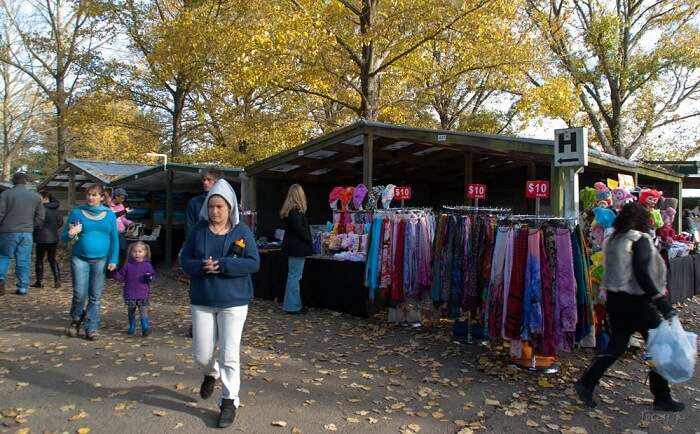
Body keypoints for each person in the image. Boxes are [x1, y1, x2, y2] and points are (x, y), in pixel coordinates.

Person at [575, 202, 684, 412]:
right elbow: (643, 272)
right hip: (637, 302)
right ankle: (662, 396)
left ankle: (587, 383)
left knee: (617, 345)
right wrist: (662, 302)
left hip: (616, 301)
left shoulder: (614, 239)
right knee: (660, 345)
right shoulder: (639, 240)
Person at [180, 179, 259, 428]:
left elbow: (253, 263)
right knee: (202, 354)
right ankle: (210, 373)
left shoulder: (242, 231)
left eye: (220, 207)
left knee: (229, 353)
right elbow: (185, 260)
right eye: (211, 206)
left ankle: (229, 401)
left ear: (230, 208)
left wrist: (223, 265)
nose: (215, 211)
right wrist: (202, 266)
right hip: (202, 299)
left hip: (233, 302)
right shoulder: (198, 231)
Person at [63, 184, 119, 341]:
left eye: (94, 195)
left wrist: (114, 259)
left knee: (95, 296)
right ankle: (75, 320)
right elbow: (64, 237)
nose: (90, 197)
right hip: (79, 257)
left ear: (102, 197)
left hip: (101, 260)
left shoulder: (109, 215)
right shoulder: (77, 212)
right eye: (88, 194)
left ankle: (91, 327)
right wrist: (71, 233)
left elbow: (115, 239)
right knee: (80, 294)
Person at [184, 166, 223, 338]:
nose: (205, 182)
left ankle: (219, 324)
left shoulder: (227, 202)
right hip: (200, 250)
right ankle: (198, 324)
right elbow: (190, 228)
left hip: (220, 250)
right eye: (204, 180)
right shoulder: (195, 203)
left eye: (209, 180)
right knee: (198, 288)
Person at [0, 172, 44, 296]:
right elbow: (41, 216)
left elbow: (0, 214)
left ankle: (0, 280)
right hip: (27, 232)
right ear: (25, 182)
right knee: (23, 259)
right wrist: (32, 226)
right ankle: (23, 287)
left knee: (3, 256)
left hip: (7, 231)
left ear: (13, 182)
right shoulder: (35, 197)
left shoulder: (5, 194)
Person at [280, 184, 313, 314]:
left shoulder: (290, 212)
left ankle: (294, 304)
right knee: (294, 276)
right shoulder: (296, 213)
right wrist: (309, 240)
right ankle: (292, 306)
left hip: (293, 248)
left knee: (294, 276)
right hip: (297, 249)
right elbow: (302, 231)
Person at [112, 241, 156, 337]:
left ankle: (145, 328)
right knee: (131, 311)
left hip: (143, 293)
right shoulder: (128, 266)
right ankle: (132, 327)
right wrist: (114, 273)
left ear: (145, 253)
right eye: (135, 252)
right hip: (130, 293)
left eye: (140, 251)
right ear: (131, 253)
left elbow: (152, 276)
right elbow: (121, 277)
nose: (137, 254)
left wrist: (149, 277)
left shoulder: (147, 265)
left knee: (143, 311)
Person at [32, 191, 64, 288]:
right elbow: (60, 222)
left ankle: (39, 281)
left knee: (39, 259)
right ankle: (57, 279)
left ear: (45, 198)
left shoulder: (38, 209)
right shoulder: (56, 209)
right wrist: (53, 229)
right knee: (52, 259)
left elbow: (35, 223)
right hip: (53, 238)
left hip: (41, 238)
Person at [110, 188, 133, 263]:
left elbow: (122, 219)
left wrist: (130, 223)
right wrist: (124, 211)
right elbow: (112, 217)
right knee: (113, 252)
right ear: (116, 196)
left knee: (123, 251)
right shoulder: (108, 205)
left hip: (122, 233)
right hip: (112, 233)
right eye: (122, 198)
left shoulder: (121, 206)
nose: (123, 200)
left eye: (124, 198)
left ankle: (120, 271)